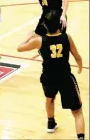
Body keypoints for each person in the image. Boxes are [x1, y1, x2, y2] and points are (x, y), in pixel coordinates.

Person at [17, 10, 85, 140]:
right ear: (60, 25)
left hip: (48, 77)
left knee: (50, 98)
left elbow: (19, 48)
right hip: (65, 77)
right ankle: (80, 137)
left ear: (45, 26)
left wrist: (28, 36)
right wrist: (80, 67)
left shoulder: (39, 41)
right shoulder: (67, 37)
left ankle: (50, 122)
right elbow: (77, 57)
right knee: (77, 112)